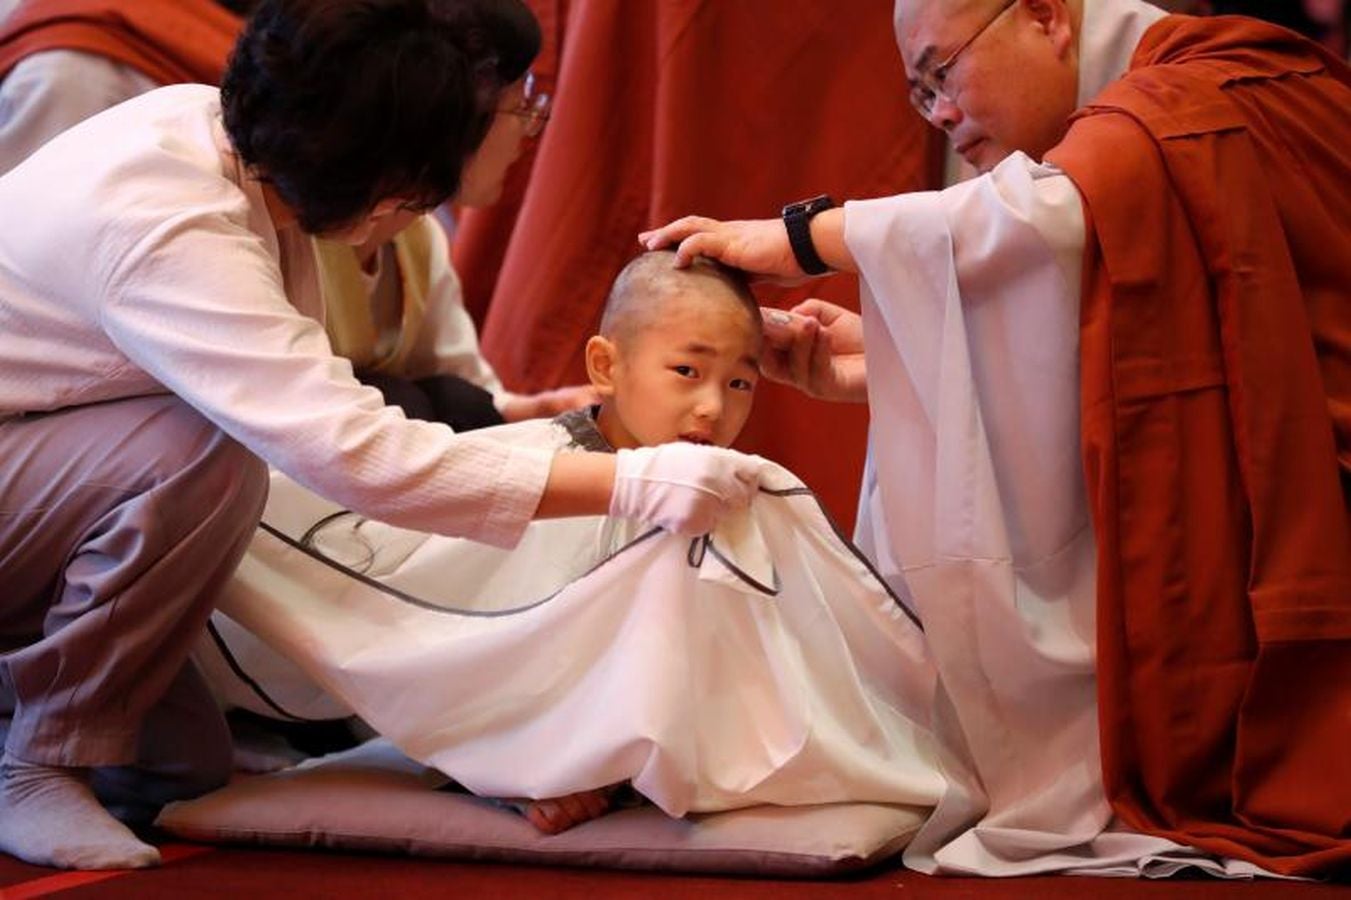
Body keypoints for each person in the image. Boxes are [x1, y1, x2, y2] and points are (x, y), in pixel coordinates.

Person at [0, 0, 761, 872]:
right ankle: (38, 760)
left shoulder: (238, 158)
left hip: (64, 454)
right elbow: (355, 453)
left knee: (182, 772)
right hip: (57, 464)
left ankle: (43, 714)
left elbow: (409, 412)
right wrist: (637, 482)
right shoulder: (171, 219)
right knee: (213, 455)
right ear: (391, 184)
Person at [640, 0, 1350, 879]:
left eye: (941, 72)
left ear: (1045, 16)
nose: (939, 112)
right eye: (918, 94)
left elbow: (1036, 221)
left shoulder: (1190, 98)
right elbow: (1124, 351)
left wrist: (803, 237)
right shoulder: (1140, 124)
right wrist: (880, 361)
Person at [0, 0, 592, 427]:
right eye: (521, 107)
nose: (531, 130)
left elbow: (462, 386)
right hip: (69, 431)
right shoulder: (260, 216)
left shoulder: (412, 232)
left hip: (299, 463)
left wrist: (529, 416)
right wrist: (625, 487)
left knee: (456, 404)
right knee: (391, 407)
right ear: (447, 117)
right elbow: (325, 436)